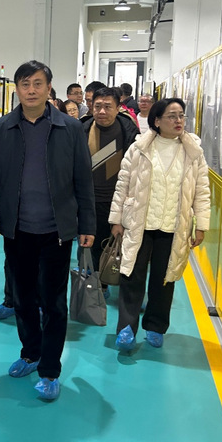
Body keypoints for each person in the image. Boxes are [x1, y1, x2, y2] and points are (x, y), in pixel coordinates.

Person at [0, 60, 95, 401]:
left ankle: (50, 369)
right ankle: (30, 353)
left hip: (57, 230)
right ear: (16, 89)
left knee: (54, 302)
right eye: (25, 84)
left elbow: (82, 179)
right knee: (23, 297)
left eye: (38, 83)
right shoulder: (2, 128)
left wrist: (87, 223)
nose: (31, 90)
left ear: (48, 88)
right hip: (17, 230)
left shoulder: (69, 128)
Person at [110, 98, 210, 351]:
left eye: (181, 116)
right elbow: (123, 184)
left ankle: (155, 326)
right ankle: (126, 328)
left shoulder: (193, 151)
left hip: (173, 226)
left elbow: (202, 191)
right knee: (131, 274)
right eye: (172, 116)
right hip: (140, 223)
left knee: (164, 278)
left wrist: (201, 225)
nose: (178, 121)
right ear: (157, 121)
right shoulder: (139, 148)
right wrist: (116, 219)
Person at [82, 86, 139, 294]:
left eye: (108, 106)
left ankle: (126, 287)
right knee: (94, 244)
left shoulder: (129, 131)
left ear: (118, 108)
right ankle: (100, 284)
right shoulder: (83, 129)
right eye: (97, 106)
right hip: (91, 200)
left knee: (124, 246)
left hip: (121, 200)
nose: (102, 111)